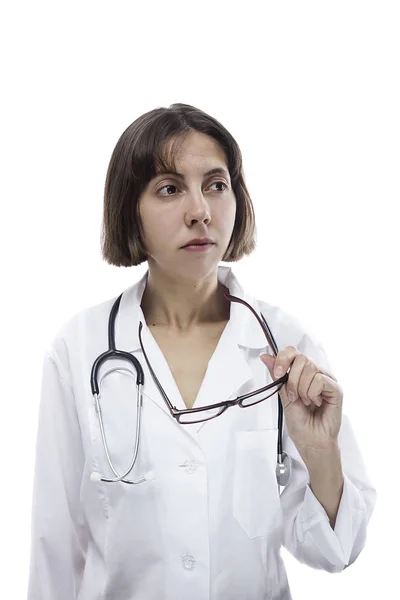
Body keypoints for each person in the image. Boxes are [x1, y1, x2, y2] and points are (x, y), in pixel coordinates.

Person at [27, 103, 377, 600]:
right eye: (169, 189)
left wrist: (321, 454)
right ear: (130, 208)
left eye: (216, 185)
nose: (201, 211)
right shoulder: (79, 350)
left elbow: (333, 551)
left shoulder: (286, 346)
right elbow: (56, 545)